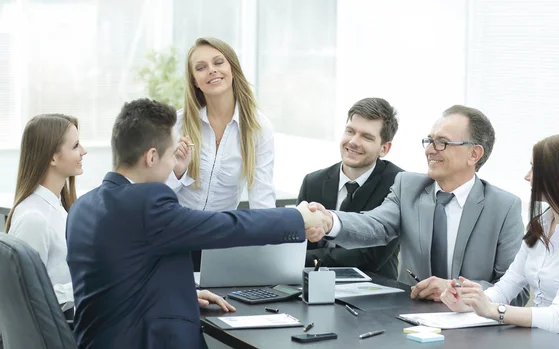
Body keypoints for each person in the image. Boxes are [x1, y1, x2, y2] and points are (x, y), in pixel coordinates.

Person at [66, 99, 325, 349]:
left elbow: (123, 276)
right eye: (171, 155)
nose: (173, 166)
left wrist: (181, 294)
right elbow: (227, 226)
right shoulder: (147, 204)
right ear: (152, 157)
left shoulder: (82, 207)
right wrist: (298, 218)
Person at [308, 105, 528, 305]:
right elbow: (375, 225)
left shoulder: (504, 207)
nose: (430, 150)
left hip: (473, 329)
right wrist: (330, 221)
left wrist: (456, 290)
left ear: (474, 154)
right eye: (429, 141)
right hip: (410, 319)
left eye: (442, 142)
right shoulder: (408, 186)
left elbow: (517, 292)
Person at [440, 134, 559, 346]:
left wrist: (493, 311)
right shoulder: (541, 223)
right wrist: (470, 301)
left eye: (535, 169)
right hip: (536, 338)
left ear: (558, 177)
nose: (527, 176)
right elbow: (506, 288)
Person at [167, 37, 276, 269]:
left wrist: (269, 258)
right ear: (195, 81)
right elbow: (153, 194)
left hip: (219, 243)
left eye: (218, 62)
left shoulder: (258, 128)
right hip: (172, 238)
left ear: (232, 69)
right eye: (201, 67)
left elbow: (262, 196)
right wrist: (177, 171)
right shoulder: (177, 124)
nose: (211, 71)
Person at [297, 97, 403, 279]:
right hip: (309, 285)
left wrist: (305, 260)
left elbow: (368, 256)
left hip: (374, 291)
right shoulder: (313, 181)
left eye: (367, 137)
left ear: (384, 148)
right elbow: (297, 244)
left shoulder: (398, 183)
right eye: (350, 131)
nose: (354, 141)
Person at [6, 114, 87, 305]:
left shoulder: (58, 208)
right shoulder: (34, 219)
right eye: (75, 146)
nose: (84, 151)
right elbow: (25, 297)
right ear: (52, 158)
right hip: (60, 331)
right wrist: (86, 286)